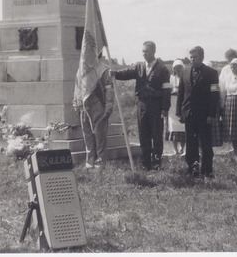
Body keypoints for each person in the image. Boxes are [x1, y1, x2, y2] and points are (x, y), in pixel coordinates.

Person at [112, 41, 171, 170]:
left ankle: (156, 164)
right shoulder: (138, 67)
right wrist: (114, 74)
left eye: (147, 51)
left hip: (156, 106)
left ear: (154, 51)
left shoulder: (162, 68)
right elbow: (125, 73)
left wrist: (165, 108)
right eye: (143, 51)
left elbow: (167, 91)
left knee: (156, 135)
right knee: (143, 135)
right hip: (142, 105)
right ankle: (145, 164)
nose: (144, 53)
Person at [176, 46, 220, 178]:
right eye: (190, 57)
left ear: (202, 57)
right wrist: (179, 111)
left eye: (195, 57)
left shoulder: (212, 73)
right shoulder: (185, 72)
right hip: (189, 114)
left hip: (204, 115)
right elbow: (181, 93)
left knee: (206, 144)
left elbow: (215, 95)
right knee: (191, 143)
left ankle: (207, 171)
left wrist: (212, 114)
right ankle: (192, 168)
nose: (192, 59)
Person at [75, 65, 114, 169]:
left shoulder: (103, 70)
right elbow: (77, 87)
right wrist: (76, 103)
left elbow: (109, 90)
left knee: (100, 138)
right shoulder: (81, 69)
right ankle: (90, 162)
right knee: (88, 138)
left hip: (98, 107)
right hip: (84, 108)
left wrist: (108, 107)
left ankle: (100, 164)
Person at [165, 59, 186, 156]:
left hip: (183, 103)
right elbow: (167, 90)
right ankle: (175, 150)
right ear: (173, 69)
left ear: (183, 68)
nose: (178, 69)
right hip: (172, 104)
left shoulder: (186, 78)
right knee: (173, 127)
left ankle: (182, 148)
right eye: (176, 68)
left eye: (180, 67)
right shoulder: (171, 78)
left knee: (183, 126)